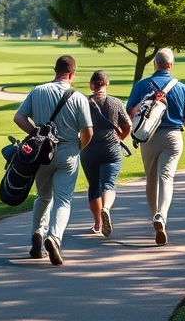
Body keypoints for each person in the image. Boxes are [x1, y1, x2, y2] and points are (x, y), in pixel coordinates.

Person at [13, 55, 93, 265]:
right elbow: (88, 131)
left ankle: (37, 235)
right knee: (63, 199)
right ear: (72, 74)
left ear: (55, 70)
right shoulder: (79, 97)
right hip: (68, 151)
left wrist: (37, 135)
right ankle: (54, 237)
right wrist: (79, 148)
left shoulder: (38, 91)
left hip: (41, 154)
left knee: (43, 197)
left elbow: (19, 118)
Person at [126, 48, 185, 246]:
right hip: (173, 136)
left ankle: (153, 218)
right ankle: (162, 216)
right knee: (166, 177)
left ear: (154, 64)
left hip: (148, 137)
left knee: (151, 179)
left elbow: (130, 111)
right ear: (171, 65)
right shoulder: (181, 87)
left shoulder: (142, 85)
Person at [80, 70, 131, 237]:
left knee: (93, 186)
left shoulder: (84, 103)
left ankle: (97, 224)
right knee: (108, 184)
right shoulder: (116, 103)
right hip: (111, 148)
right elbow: (128, 125)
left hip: (89, 149)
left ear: (91, 85)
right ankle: (106, 208)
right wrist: (120, 137)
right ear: (106, 83)